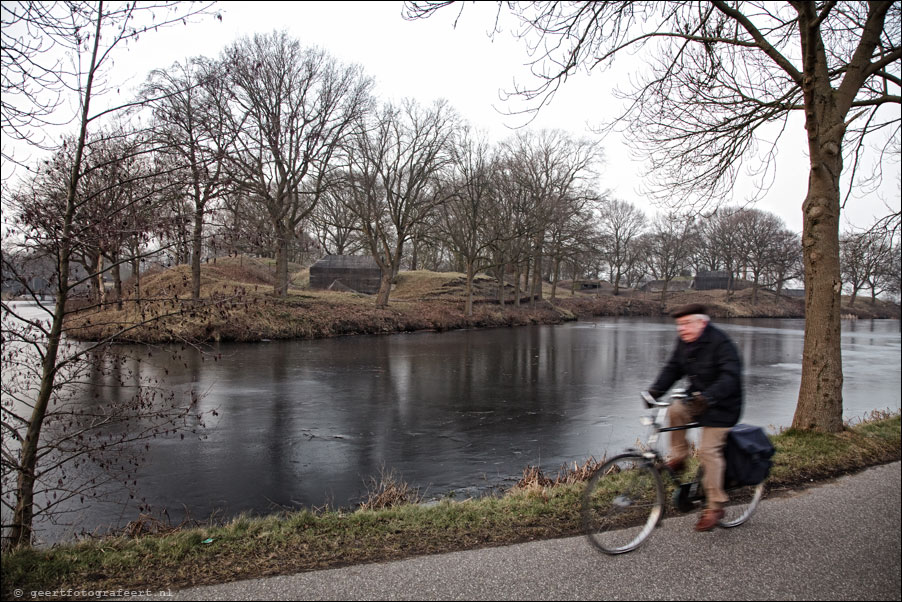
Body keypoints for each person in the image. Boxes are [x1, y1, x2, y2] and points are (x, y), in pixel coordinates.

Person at [647, 302, 743, 532]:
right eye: (679, 325)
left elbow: (731, 377)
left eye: (687, 323)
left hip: (723, 406)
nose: (682, 329)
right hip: (697, 401)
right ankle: (679, 457)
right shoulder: (684, 343)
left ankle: (715, 506)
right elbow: (673, 368)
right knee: (675, 410)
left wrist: (709, 397)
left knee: (709, 451)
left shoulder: (721, 343)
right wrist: (654, 392)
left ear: (702, 322)